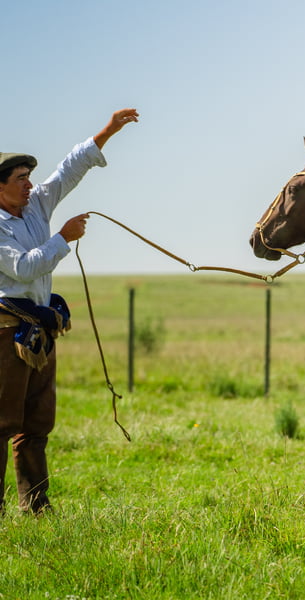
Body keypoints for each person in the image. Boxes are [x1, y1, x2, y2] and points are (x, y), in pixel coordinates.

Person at [0, 108, 139, 514]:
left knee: (37, 423)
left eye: (29, 178)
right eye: (20, 179)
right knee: (2, 424)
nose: (30, 185)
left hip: (38, 332)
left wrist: (108, 130)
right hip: (6, 334)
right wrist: (63, 238)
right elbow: (25, 267)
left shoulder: (36, 205)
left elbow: (69, 168)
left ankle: (36, 505)